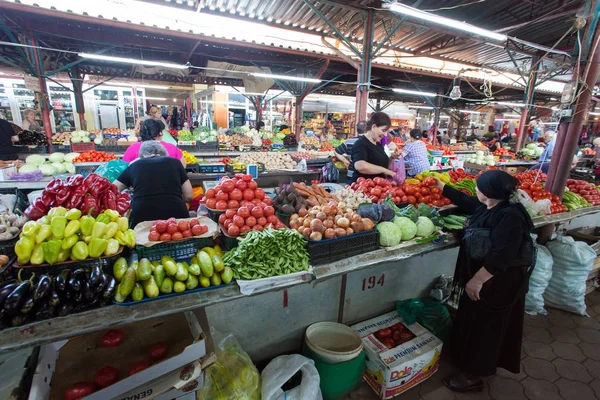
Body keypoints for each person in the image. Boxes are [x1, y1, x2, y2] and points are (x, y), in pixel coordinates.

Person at [434, 170, 534, 392]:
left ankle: (474, 375)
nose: (476, 190)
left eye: (479, 186)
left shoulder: (511, 217)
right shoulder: (493, 205)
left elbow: (503, 255)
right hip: (485, 280)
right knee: (472, 320)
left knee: (487, 329)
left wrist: (477, 281)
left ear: (488, 192)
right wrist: (443, 188)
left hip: (498, 284)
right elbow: (468, 202)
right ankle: (466, 360)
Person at [114, 141, 193, 227]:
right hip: (176, 216)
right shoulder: (175, 162)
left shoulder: (135, 165)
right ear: (163, 152)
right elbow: (189, 196)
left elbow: (114, 188)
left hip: (142, 218)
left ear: (142, 154)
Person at [351, 112, 401, 182]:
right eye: (383, 130)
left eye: (386, 131)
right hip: (363, 188)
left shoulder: (378, 144)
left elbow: (383, 164)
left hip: (378, 188)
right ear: (373, 127)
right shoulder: (361, 144)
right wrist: (385, 171)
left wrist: (391, 158)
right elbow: (360, 166)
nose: (385, 134)